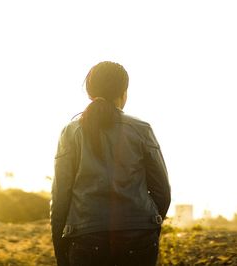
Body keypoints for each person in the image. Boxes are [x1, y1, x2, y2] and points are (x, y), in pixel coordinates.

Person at [51, 61, 171, 266]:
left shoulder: (70, 133)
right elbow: (162, 192)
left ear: (89, 93)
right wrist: (147, 223)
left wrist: (61, 249)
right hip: (139, 236)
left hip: (86, 237)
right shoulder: (141, 130)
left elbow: (61, 196)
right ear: (124, 93)